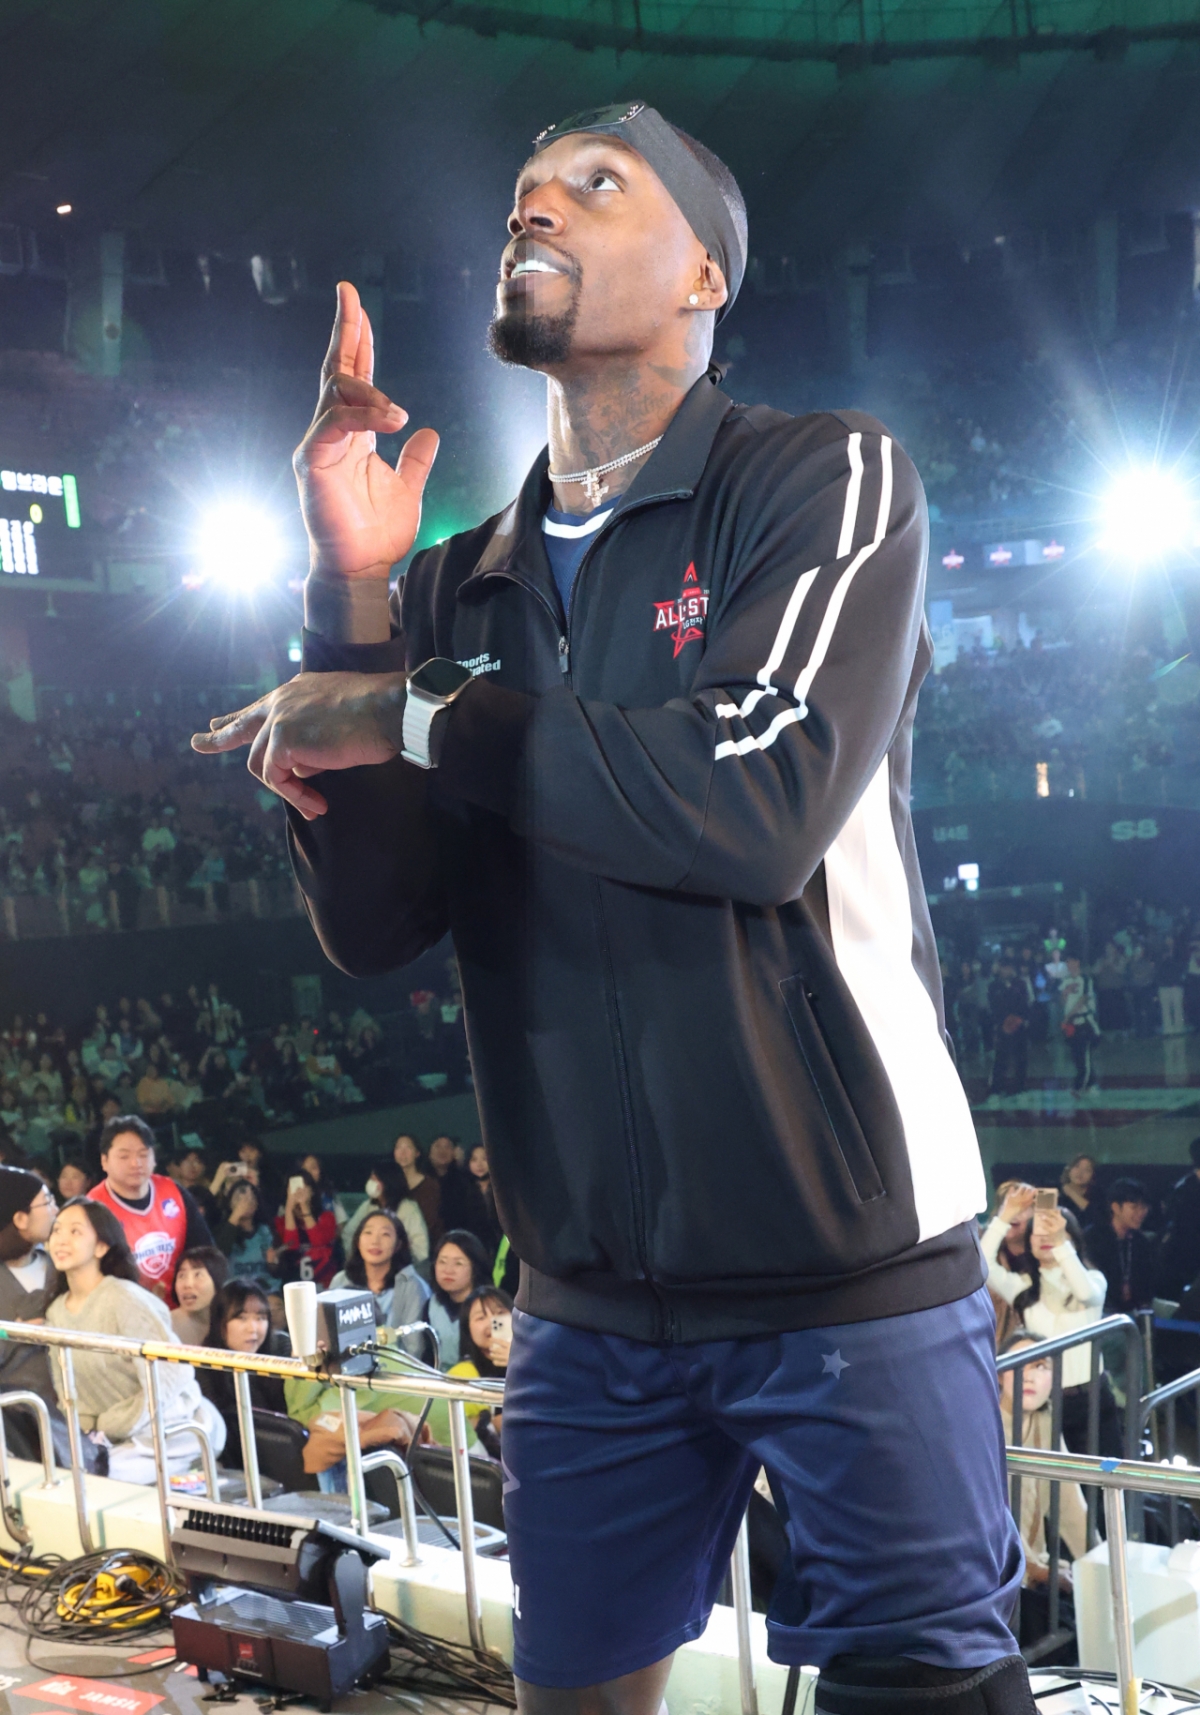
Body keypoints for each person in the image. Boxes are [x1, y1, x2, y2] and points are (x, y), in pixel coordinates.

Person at [194, 104, 1028, 1712]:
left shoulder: (826, 477)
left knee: (926, 1693)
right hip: (585, 1297)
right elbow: (377, 922)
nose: (536, 209)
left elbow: (753, 805)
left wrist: (414, 710)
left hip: (846, 1264)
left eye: (594, 185)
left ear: (706, 275)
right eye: (523, 194)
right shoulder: (455, 585)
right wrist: (354, 601)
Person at [45, 1198, 225, 1483]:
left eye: (75, 1231)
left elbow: (170, 1375)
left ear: (101, 1247)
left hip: (174, 1423)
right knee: (78, 1471)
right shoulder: (55, 1312)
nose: (61, 1239)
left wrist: (114, 1424)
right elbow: (67, 1391)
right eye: (56, 1230)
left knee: (103, 1476)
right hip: (111, 1438)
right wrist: (87, 1431)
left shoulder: (124, 1298)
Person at [981, 1185, 1116, 1454]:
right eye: (1038, 1234)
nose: (1046, 1238)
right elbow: (982, 1264)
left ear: (1073, 1241)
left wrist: (1061, 1245)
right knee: (1056, 1477)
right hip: (1046, 1400)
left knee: (1105, 1474)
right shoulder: (1023, 1287)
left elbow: (1085, 1293)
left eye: (1055, 1234)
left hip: (1092, 1398)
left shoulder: (1092, 1280)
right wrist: (1005, 1215)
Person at [996, 1333, 1087, 1652]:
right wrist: (1036, 1570)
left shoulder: (1046, 1423)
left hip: (1039, 1571)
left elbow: (1071, 1506)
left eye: (1040, 1366)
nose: (1029, 1376)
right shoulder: (985, 1424)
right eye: (1019, 1365)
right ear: (1000, 1374)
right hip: (999, 1577)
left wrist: (1101, 1565)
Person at [0, 1167, 88, 1466]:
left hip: (82, 1404)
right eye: (47, 1201)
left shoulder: (61, 1265)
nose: (55, 1210)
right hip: (21, 1421)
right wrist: (15, 1334)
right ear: (20, 1218)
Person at [89, 1115, 213, 1304]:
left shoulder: (174, 1192)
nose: (135, 1163)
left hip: (183, 1309)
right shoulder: (92, 1209)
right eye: (124, 1156)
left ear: (154, 1158)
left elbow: (205, 1253)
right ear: (104, 1161)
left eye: (143, 1154)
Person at [198, 1279, 289, 1471]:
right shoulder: (203, 1370)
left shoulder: (280, 1354)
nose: (253, 1328)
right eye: (241, 1318)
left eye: (261, 1318)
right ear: (220, 1322)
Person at [331, 1209, 429, 1351]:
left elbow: (414, 1348)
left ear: (398, 1245)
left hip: (394, 1363)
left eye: (385, 1234)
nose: (375, 1241)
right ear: (357, 1241)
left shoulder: (412, 1286)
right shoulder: (340, 1281)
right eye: (368, 1233)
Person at [447, 1283, 513, 1459]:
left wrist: (519, 1360)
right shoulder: (460, 1376)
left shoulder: (534, 1360)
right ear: (467, 1328)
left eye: (500, 1313)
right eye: (481, 1317)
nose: (492, 1322)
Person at [1087, 1178, 1156, 1315]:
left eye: (1144, 1207)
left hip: (1133, 1311)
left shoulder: (1141, 1242)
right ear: (1116, 1207)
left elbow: (1148, 1282)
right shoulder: (1093, 1238)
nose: (1141, 1213)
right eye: (1134, 1207)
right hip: (1101, 1310)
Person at [428, 1230, 491, 1368]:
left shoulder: (491, 1308)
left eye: (458, 1263)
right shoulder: (431, 1305)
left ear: (475, 1268)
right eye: (442, 1261)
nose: (448, 1270)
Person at [273, 1166, 339, 1285]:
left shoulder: (327, 1217)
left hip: (324, 1281)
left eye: (303, 1187)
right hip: (295, 1282)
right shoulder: (280, 1222)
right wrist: (289, 1209)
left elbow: (318, 1242)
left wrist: (304, 1206)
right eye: (293, 1188)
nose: (298, 1192)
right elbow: (291, 1247)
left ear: (312, 1191)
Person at [213, 1178, 280, 1285]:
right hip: (234, 1289)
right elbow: (219, 1255)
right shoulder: (220, 1229)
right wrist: (236, 1214)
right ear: (229, 1203)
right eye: (239, 1198)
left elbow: (277, 1272)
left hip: (265, 1288)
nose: (246, 1202)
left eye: (251, 1198)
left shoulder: (265, 1231)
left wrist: (272, 1263)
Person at [171, 1245, 229, 1345]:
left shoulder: (233, 1323)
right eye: (182, 1276)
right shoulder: (164, 1325)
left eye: (198, 1275)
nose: (188, 1284)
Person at [988, 960, 1031, 1096]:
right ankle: (997, 1087)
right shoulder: (994, 985)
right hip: (1003, 1026)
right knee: (1001, 1057)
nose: (1006, 971)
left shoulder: (1020, 984)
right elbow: (994, 1005)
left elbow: (1024, 1003)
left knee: (1021, 1057)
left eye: (1008, 968)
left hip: (1018, 1025)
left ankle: (1020, 1085)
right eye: (1004, 968)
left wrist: (1019, 1019)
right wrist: (1003, 1021)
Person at [1059, 956, 1100, 1094]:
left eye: (1071, 961)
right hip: (1071, 1025)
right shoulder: (1065, 981)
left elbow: (1083, 999)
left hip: (1084, 1022)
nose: (1069, 964)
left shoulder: (1086, 980)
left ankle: (1080, 1085)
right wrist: (1064, 995)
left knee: (1084, 1054)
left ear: (1077, 962)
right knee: (1077, 1056)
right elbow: (1063, 1002)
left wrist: (1068, 1016)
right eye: (1067, 962)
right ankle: (1089, 1082)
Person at [392, 1133, 442, 1243]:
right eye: (398, 1147)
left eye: (408, 1147)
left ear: (417, 1153)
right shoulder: (388, 1184)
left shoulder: (430, 1185)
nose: (403, 1152)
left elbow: (430, 1221)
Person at [459, 1142, 503, 1260]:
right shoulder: (461, 1189)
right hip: (472, 1246)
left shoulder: (503, 1188)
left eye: (485, 1159)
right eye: (474, 1159)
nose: (479, 1164)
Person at [1058, 1155, 1097, 1225]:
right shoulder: (1056, 1192)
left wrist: (1071, 1193)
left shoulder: (1097, 1194)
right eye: (1077, 1166)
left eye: (1087, 1170)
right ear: (1069, 1170)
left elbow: (1097, 1218)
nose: (1080, 1172)